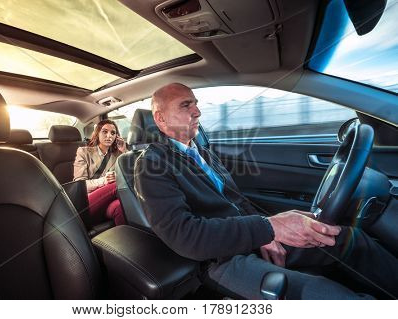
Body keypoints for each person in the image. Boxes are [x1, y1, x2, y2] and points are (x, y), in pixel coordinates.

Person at [134, 83, 398, 299]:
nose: (197, 112)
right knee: (326, 297)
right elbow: (185, 236)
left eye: (195, 103)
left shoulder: (202, 152)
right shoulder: (151, 165)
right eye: (185, 105)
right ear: (160, 118)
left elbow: (238, 202)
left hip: (250, 237)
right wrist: (266, 228)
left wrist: (267, 230)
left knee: (349, 240)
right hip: (219, 259)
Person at [73, 119, 126, 226]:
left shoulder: (118, 154)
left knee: (119, 206)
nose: (109, 136)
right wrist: (104, 181)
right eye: (104, 132)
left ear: (117, 136)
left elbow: (130, 171)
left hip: (108, 199)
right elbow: (80, 186)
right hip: (86, 202)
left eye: (113, 133)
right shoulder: (84, 152)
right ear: (97, 133)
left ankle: (127, 240)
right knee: (118, 184)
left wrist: (124, 151)